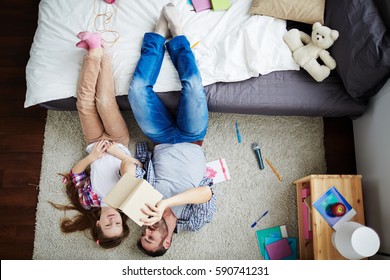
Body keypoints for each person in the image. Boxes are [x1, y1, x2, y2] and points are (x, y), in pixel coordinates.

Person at [128, 3, 216, 257]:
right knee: (193, 85)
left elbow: (133, 172)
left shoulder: (142, 210)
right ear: (166, 242)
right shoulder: (193, 222)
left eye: (143, 235)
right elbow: (206, 192)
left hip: (161, 137)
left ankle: (157, 36)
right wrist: (166, 203)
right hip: (192, 137)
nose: (147, 231)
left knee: (136, 91)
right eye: (151, 238)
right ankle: (178, 35)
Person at [51, 31, 144, 249]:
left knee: (83, 104)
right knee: (103, 102)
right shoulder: (126, 199)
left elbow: (76, 174)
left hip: (93, 143)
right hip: (117, 141)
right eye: (118, 222)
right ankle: (103, 53)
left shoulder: (88, 201)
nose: (113, 219)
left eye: (109, 224)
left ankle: (94, 50)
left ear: (98, 224)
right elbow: (132, 165)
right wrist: (114, 151)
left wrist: (93, 155)